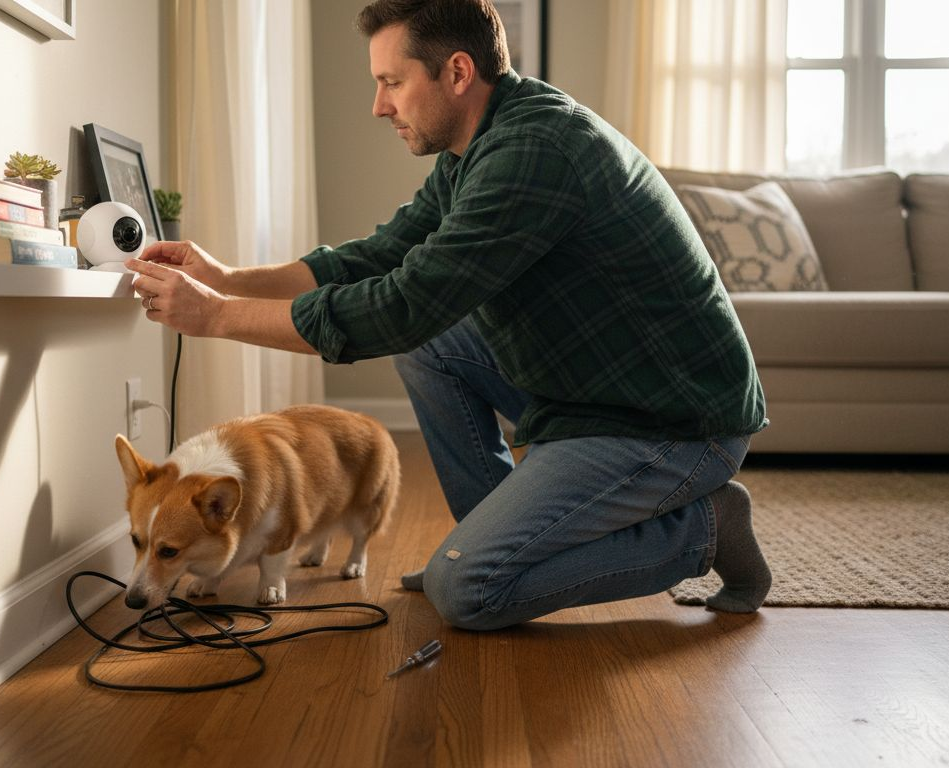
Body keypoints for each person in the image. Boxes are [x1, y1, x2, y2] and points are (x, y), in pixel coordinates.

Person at [128, 0, 771, 631]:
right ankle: (482, 542)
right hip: (597, 391)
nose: (380, 105)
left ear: (458, 73)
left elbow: (402, 308)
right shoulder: (476, 145)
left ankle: (704, 529)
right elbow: (381, 255)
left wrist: (217, 317)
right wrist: (226, 278)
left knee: (468, 591)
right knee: (432, 346)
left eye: (391, 83)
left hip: (672, 422)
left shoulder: (533, 152)